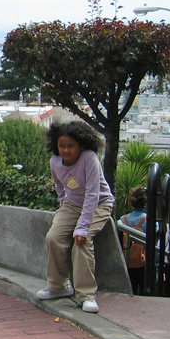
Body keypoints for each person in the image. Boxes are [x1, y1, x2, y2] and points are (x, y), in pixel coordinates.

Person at [36, 121, 115, 313]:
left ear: (81, 145)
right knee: (53, 238)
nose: (66, 150)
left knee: (82, 240)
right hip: (72, 205)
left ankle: (86, 295)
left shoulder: (89, 158)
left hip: (99, 204)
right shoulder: (54, 162)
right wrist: (64, 207)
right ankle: (58, 286)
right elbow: (60, 187)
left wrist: (82, 227)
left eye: (71, 146)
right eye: (62, 146)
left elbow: (93, 194)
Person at [118, 186, 148, 295]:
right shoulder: (149, 220)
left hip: (128, 261)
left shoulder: (123, 220)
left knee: (131, 293)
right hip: (144, 264)